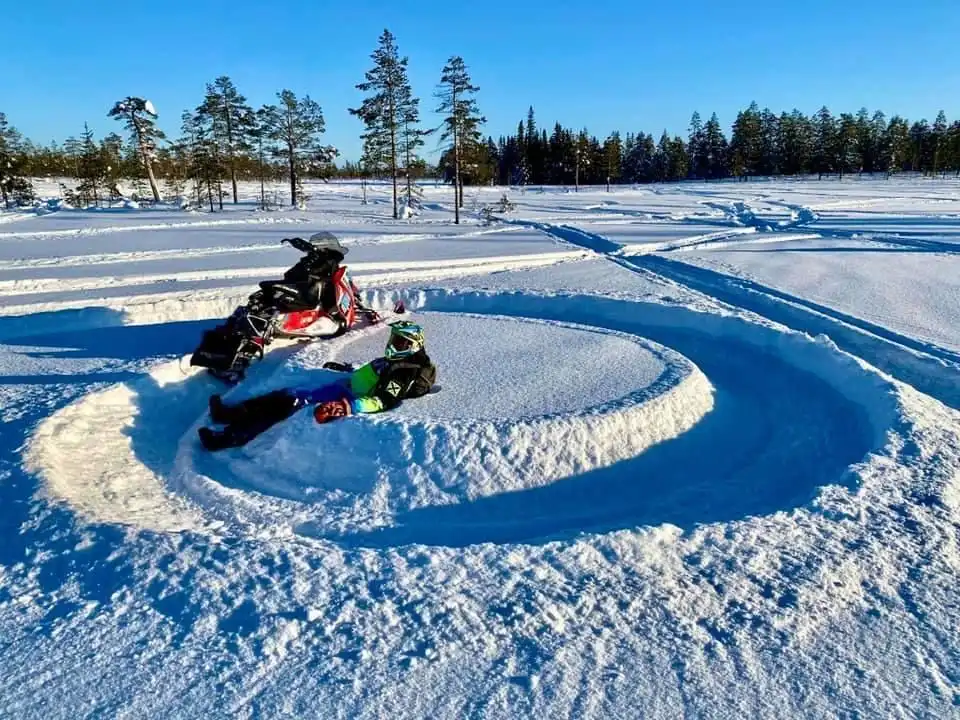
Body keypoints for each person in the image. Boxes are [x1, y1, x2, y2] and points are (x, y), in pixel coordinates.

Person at [197, 320, 436, 451]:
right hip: (344, 386)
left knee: (288, 402)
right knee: (285, 394)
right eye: (395, 339)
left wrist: (348, 407)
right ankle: (229, 414)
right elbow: (375, 371)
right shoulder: (398, 360)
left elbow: (385, 400)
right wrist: (349, 370)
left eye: (402, 342)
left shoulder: (404, 372)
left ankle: (230, 437)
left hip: (347, 396)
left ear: (415, 344)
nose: (396, 344)